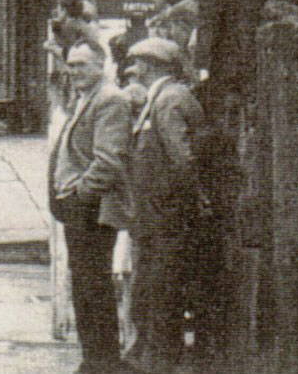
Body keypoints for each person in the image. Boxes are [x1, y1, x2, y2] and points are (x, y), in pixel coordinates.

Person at [49, 41, 134, 374]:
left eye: (82, 64)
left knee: (93, 286)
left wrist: (80, 196)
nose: (74, 71)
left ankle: (103, 362)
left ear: (102, 64)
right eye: (71, 65)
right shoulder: (84, 99)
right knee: (84, 286)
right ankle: (95, 359)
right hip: (77, 206)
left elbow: (109, 159)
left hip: (92, 209)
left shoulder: (110, 100)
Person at [123, 37, 206, 374]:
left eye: (139, 63)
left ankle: (159, 361)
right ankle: (149, 355)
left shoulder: (169, 101)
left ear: (153, 65)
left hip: (164, 218)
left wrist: (165, 204)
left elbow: (183, 161)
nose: (134, 70)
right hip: (154, 216)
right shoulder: (160, 98)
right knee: (152, 288)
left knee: (161, 289)